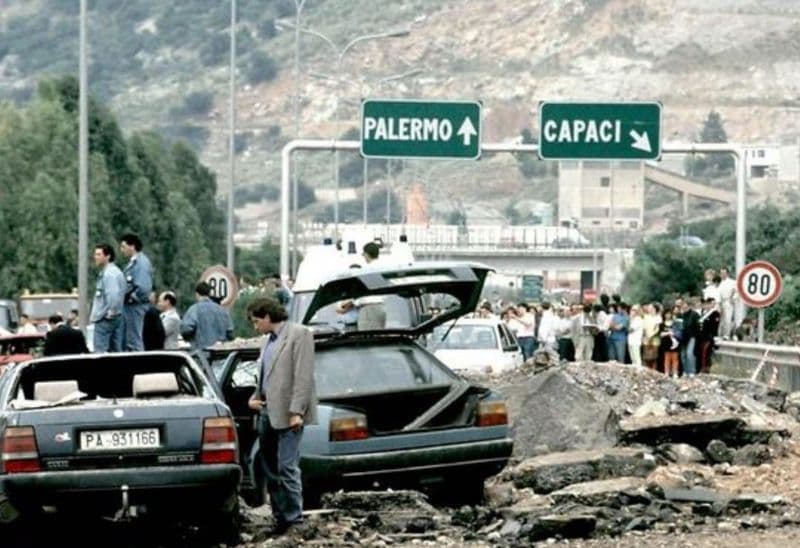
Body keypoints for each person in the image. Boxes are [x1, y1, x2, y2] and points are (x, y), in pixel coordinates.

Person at [246, 297, 317, 535]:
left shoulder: (300, 334)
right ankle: (279, 517)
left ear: (267, 317)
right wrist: (254, 397)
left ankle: (294, 519)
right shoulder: (267, 341)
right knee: (271, 468)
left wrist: (297, 411)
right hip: (267, 411)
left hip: (289, 413)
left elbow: (303, 376)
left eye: (257, 321)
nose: (256, 327)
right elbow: (265, 375)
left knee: (287, 467)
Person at [120, 233, 154, 351]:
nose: (122, 250)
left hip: (135, 306)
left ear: (132, 246)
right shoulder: (133, 263)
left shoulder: (141, 263)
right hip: (130, 307)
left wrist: (131, 297)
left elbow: (144, 288)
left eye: (123, 247)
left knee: (134, 340)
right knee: (129, 339)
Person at [89, 243, 127, 353]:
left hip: (105, 319)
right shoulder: (116, 272)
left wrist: (111, 311)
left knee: (100, 351)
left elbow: (113, 295)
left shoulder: (109, 274)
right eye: (95, 254)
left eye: (99, 254)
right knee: (115, 350)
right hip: (117, 317)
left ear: (108, 256)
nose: (95, 257)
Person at [181, 282, 233, 353]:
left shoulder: (194, 309)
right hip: (221, 356)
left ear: (197, 294)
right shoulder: (223, 311)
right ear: (209, 293)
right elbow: (230, 333)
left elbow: (186, 329)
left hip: (201, 355)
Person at [697, 297, 721, 373]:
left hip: (709, 336)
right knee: (701, 351)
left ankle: (705, 368)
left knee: (706, 351)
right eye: (711, 303)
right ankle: (700, 367)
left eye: (714, 303)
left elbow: (715, 326)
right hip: (701, 336)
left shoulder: (715, 313)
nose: (712, 305)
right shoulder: (702, 313)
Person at [680, 298, 701, 377]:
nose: (684, 308)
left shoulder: (694, 315)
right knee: (683, 355)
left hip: (692, 336)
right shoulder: (681, 315)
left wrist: (695, 335)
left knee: (689, 354)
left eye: (685, 306)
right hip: (682, 338)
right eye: (682, 307)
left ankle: (692, 371)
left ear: (689, 306)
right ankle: (685, 371)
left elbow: (697, 326)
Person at [660, 310, 681, 378]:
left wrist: (673, 333)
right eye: (666, 314)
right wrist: (667, 333)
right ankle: (667, 372)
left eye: (669, 314)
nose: (668, 315)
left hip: (675, 343)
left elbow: (678, 332)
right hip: (666, 343)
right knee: (667, 358)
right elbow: (661, 334)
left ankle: (675, 372)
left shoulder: (675, 323)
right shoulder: (661, 324)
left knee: (675, 358)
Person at [718, 267, 736, 339]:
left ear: (727, 273)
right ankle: (719, 334)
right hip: (719, 302)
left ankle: (727, 334)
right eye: (721, 273)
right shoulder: (719, 282)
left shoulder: (732, 282)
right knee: (719, 319)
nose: (723, 274)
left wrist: (732, 299)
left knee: (727, 318)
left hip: (728, 301)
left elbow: (737, 292)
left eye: (724, 273)